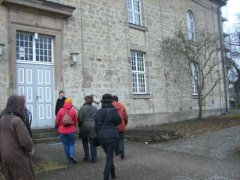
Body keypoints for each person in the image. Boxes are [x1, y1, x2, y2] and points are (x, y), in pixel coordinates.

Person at [0, 95, 35, 180]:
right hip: (18, 156)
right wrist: (30, 150)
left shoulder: (2, 119)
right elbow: (25, 141)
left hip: (4, 156)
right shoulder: (17, 120)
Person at [95, 94, 121, 180]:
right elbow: (118, 121)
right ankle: (106, 176)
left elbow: (96, 125)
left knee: (109, 155)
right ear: (111, 102)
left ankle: (113, 172)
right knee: (109, 157)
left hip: (101, 137)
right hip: (111, 137)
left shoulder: (98, 112)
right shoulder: (113, 111)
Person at [56, 97, 78, 164]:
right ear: (71, 103)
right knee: (71, 144)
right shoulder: (73, 110)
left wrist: (60, 125)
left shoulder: (60, 110)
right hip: (71, 130)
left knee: (65, 145)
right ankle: (72, 155)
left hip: (62, 131)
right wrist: (72, 124)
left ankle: (69, 159)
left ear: (64, 103)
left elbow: (57, 120)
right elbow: (75, 120)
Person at [78, 95, 97, 162]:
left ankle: (87, 157)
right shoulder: (95, 108)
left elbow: (80, 119)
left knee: (85, 142)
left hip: (84, 126)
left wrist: (79, 125)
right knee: (93, 143)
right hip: (93, 126)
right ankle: (94, 158)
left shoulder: (82, 108)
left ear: (85, 100)